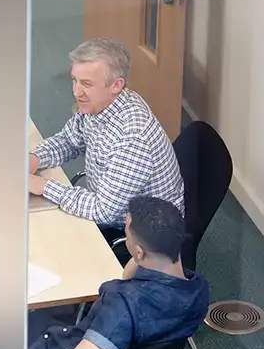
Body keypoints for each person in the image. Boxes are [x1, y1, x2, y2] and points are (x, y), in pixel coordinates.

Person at [26, 196, 209, 349]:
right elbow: (129, 274)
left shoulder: (123, 307)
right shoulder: (198, 291)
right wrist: (139, 256)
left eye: (127, 234)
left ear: (139, 252)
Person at [28, 38, 183, 234]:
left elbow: (103, 212)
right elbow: (69, 140)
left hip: (142, 235)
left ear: (116, 85)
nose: (76, 92)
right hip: (108, 206)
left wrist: (45, 187)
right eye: (74, 80)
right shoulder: (100, 105)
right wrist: (35, 158)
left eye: (86, 83)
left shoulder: (133, 138)